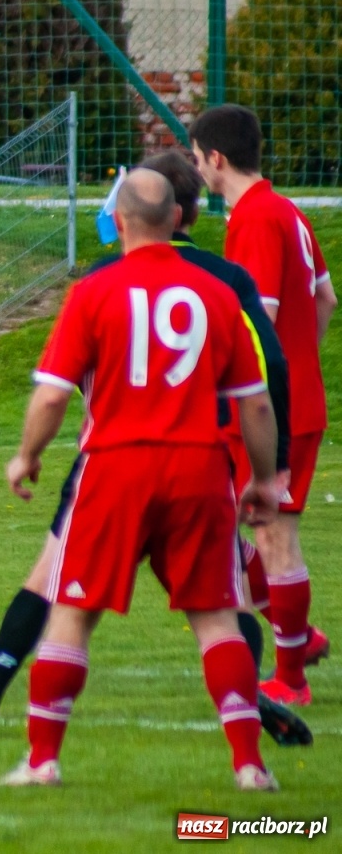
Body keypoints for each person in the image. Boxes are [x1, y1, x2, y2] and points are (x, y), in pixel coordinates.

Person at [0, 149, 309, 746]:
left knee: (56, 589)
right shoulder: (224, 282)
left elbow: (52, 393)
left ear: (124, 217)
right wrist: (268, 468)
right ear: (183, 212)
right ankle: (247, 722)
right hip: (199, 458)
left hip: (114, 461)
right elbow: (267, 368)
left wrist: (27, 454)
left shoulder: (100, 282)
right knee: (223, 607)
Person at [192, 105, 334, 707]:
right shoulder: (289, 212)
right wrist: (300, 364)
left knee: (270, 537)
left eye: (197, 160)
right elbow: (325, 299)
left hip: (272, 413)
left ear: (215, 159)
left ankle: (292, 679)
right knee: (234, 526)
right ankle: (301, 638)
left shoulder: (253, 219)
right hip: (294, 399)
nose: (197, 171)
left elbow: (257, 323)